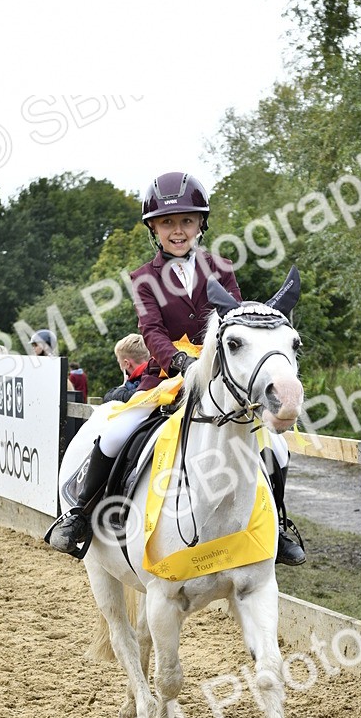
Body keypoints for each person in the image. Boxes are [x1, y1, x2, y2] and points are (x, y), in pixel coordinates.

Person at [46, 171, 305, 565]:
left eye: (186, 221)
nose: (178, 230)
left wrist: (211, 362)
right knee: (116, 433)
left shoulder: (221, 267)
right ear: (154, 228)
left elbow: (234, 321)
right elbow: (150, 329)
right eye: (168, 223)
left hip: (219, 378)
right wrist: (179, 361)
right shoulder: (144, 279)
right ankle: (82, 514)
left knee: (279, 448)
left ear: (201, 223)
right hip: (166, 378)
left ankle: (280, 526)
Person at [103, 334, 150, 402]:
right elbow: (108, 396)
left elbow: (123, 397)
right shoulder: (153, 372)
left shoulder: (144, 381)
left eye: (119, 362)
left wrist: (124, 386)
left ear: (127, 363)